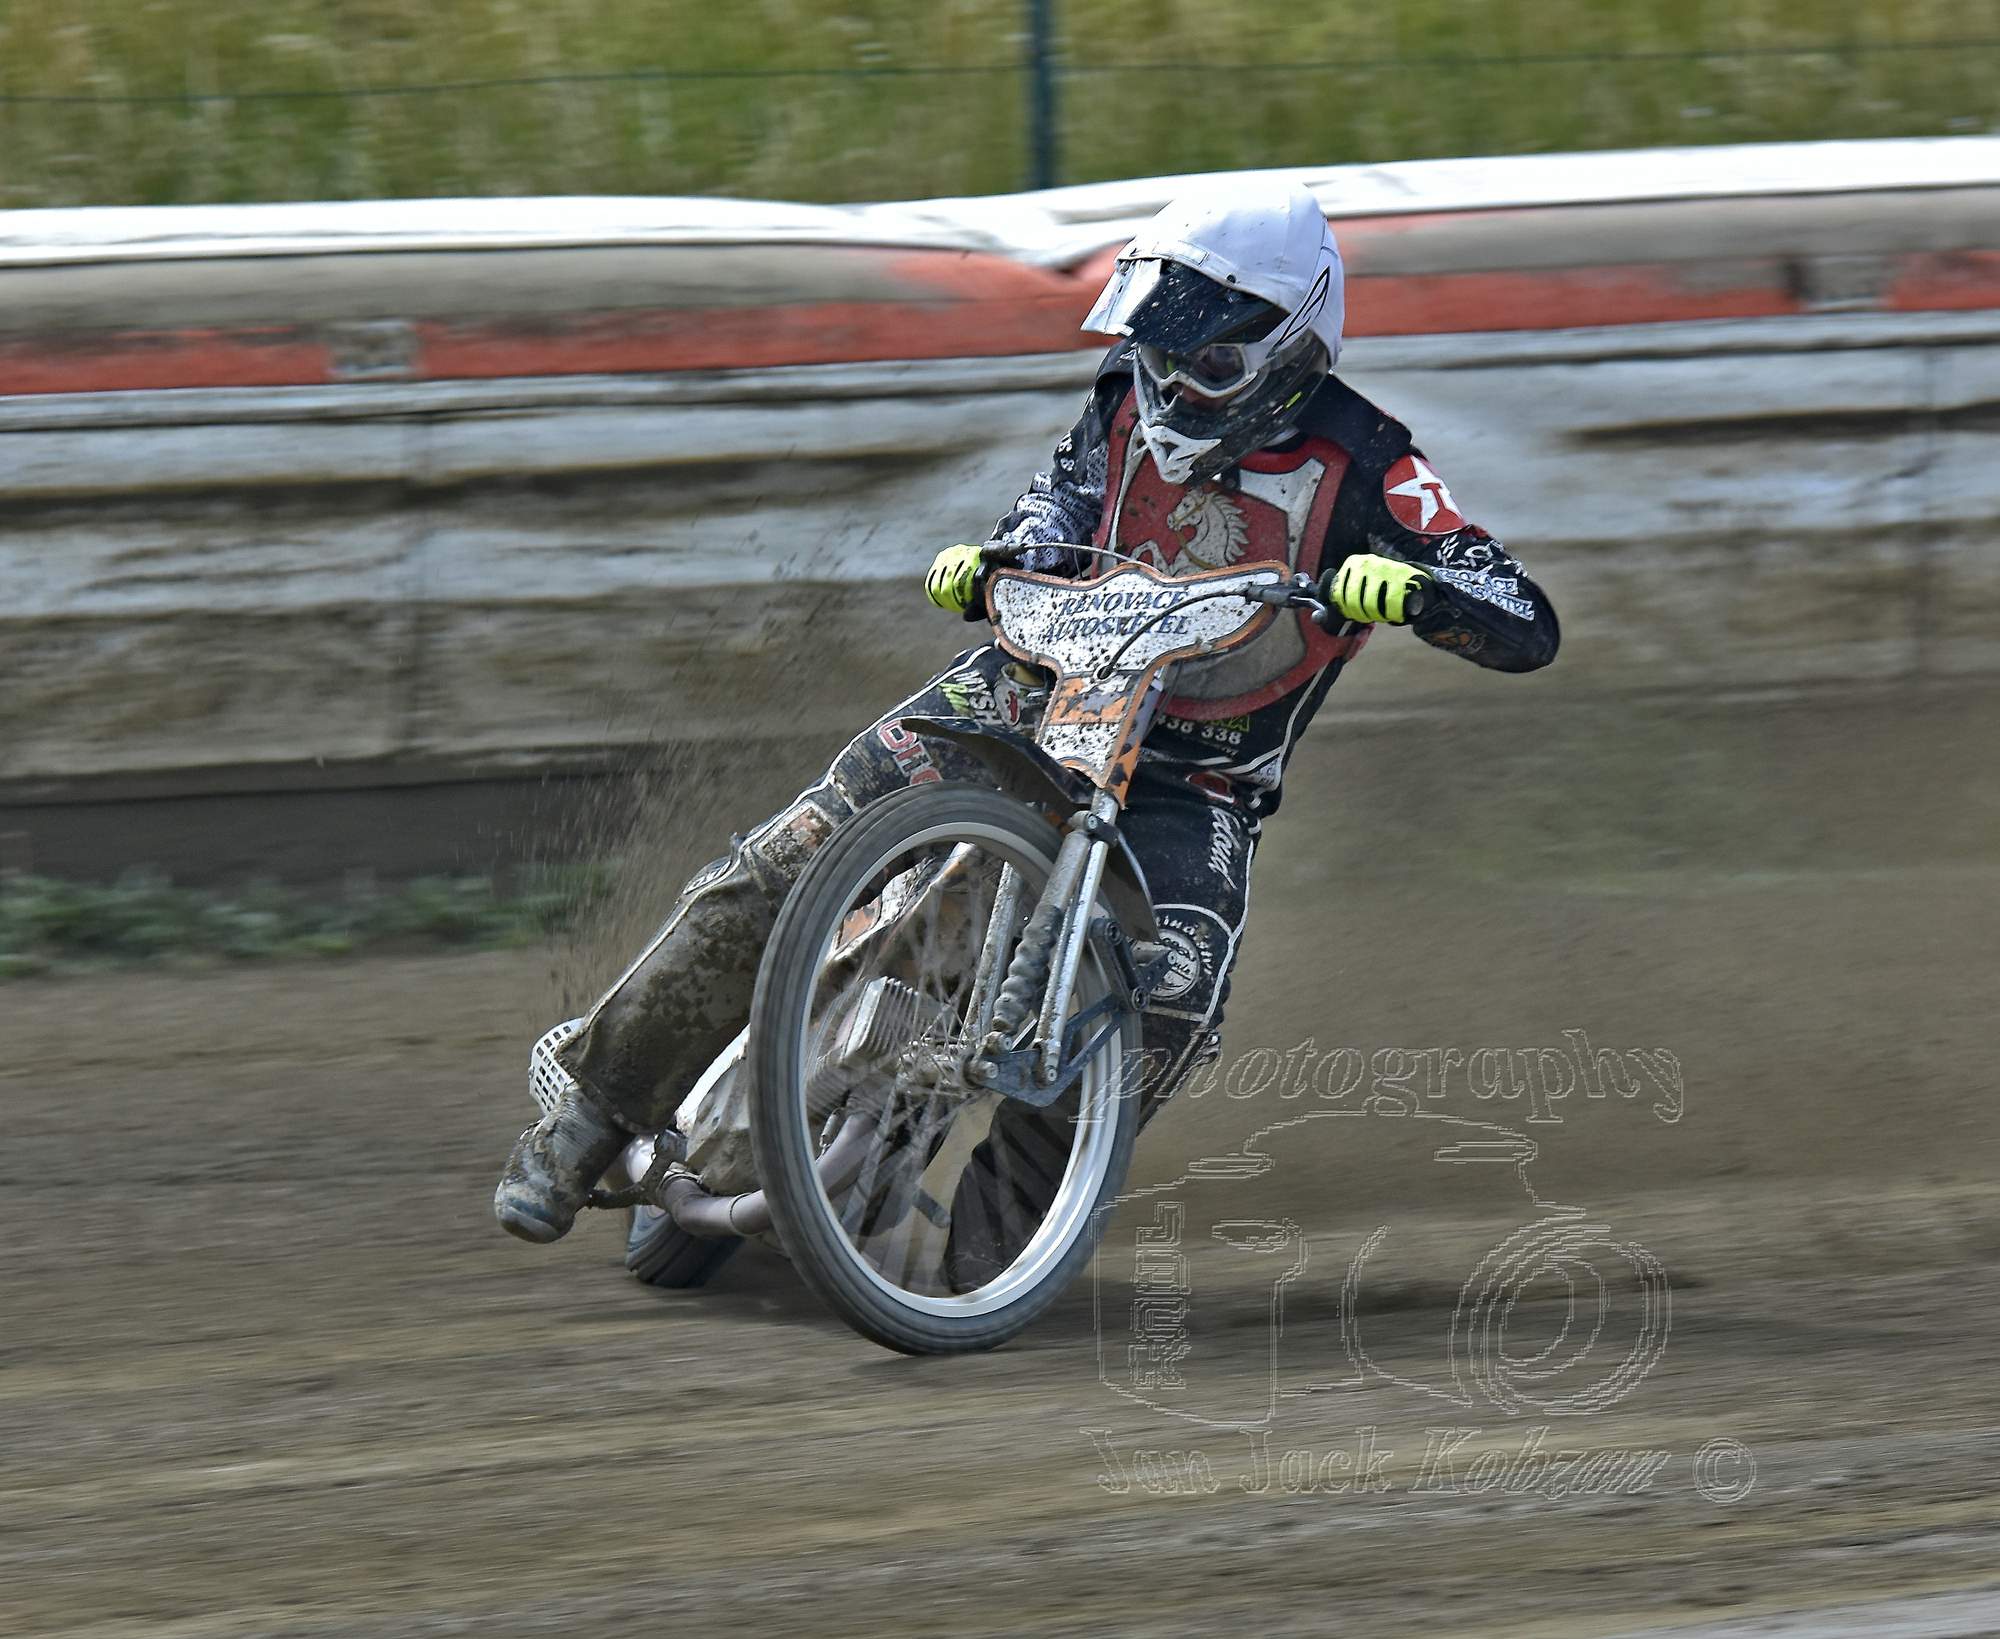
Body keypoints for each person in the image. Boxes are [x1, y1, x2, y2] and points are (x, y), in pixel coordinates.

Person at [494, 179, 1558, 1247]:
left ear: (1287, 348)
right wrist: (1008, 557)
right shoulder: (1120, 395)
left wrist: (1421, 592)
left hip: (1193, 776)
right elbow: (1057, 501)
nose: (1169, 377)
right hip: (1023, 693)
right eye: (1157, 344)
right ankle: (592, 1115)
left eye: (1206, 357)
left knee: (1174, 990)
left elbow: (1521, 616)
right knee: (799, 849)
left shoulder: (1372, 460)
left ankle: (998, 1246)